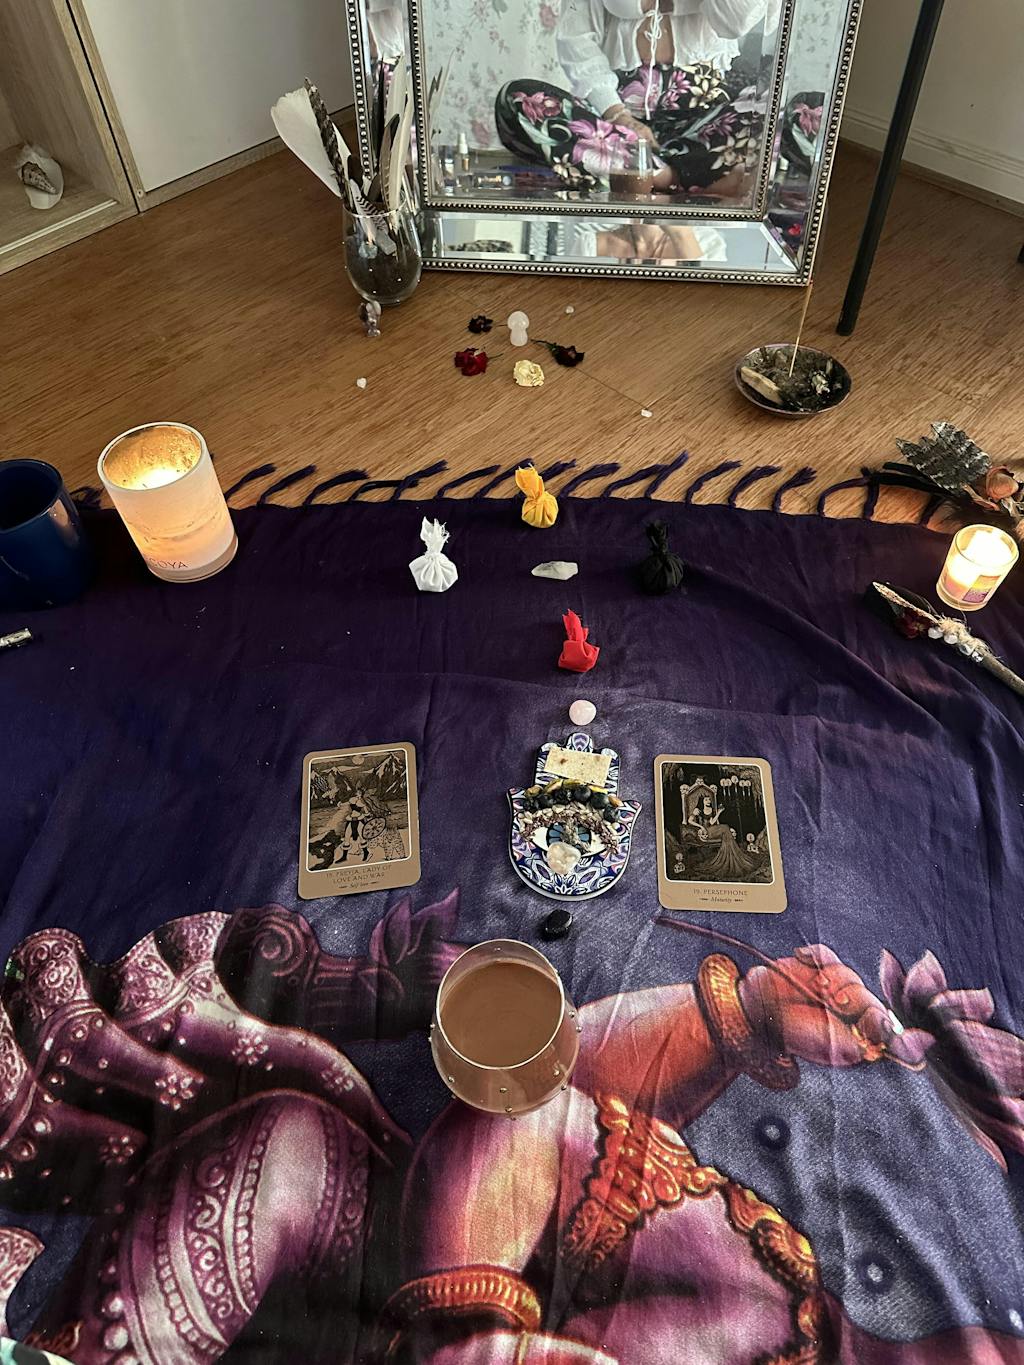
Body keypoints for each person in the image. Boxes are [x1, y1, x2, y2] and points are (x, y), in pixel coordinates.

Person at [495, 0, 781, 195]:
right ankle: (685, 176)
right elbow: (577, 39)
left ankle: (651, 174)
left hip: (701, 125)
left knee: (771, 107)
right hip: (617, 127)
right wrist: (617, 114)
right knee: (520, 99)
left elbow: (735, 21)